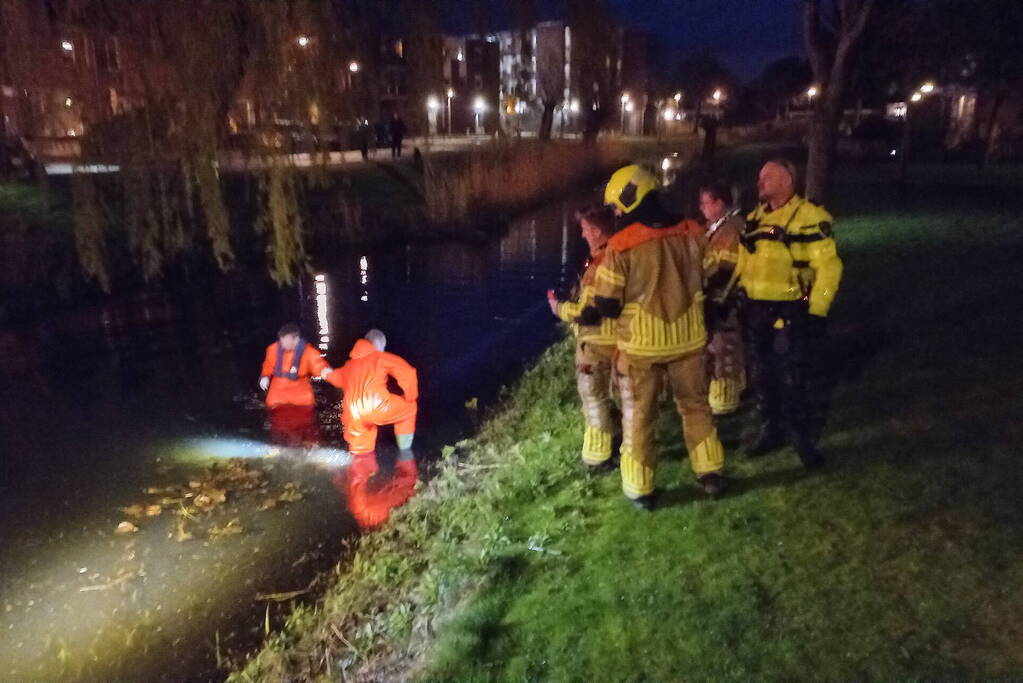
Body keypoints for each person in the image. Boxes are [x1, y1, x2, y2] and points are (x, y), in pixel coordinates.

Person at [585, 164, 727, 509]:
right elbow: (713, 275)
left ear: (631, 199)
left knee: (639, 415)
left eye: (618, 206)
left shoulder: (620, 246)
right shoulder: (693, 231)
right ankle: (710, 473)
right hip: (689, 339)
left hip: (640, 346)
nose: (616, 213)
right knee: (695, 406)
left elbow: (606, 303)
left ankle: (640, 489)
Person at [738, 159, 843, 468]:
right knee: (762, 373)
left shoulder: (808, 217)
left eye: (767, 177)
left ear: (786, 181)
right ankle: (771, 428)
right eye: (759, 177)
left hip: (790, 309)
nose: (760, 182)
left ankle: (800, 436)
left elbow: (829, 268)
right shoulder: (755, 218)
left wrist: (818, 310)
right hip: (756, 310)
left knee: (791, 376)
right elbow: (746, 264)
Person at [547, 204, 619, 471]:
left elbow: (588, 312)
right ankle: (618, 443)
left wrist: (560, 309)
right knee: (612, 396)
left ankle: (599, 456)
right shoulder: (617, 254)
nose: (582, 235)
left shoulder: (601, 263)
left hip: (597, 342)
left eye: (586, 230)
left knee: (593, 396)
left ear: (598, 231)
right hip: (616, 339)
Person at [321, 329, 418, 476]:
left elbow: (334, 377)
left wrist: (324, 371)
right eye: (383, 347)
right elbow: (407, 373)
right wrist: (411, 396)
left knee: (361, 455)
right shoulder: (380, 357)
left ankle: (359, 490)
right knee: (410, 408)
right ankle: (406, 458)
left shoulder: (349, 366)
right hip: (377, 407)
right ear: (378, 344)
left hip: (353, 415)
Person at [698, 181, 746, 415]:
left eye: (705, 203)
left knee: (724, 348)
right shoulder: (714, 227)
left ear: (719, 203)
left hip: (726, 300)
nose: (701, 208)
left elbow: (724, 268)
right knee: (716, 348)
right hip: (715, 298)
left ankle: (727, 401)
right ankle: (723, 393)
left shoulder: (731, 230)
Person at [259, 323, 331, 409]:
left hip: (300, 397)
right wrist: (265, 376)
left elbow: (318, 364)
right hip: (277, 396)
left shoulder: (309, 352)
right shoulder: (273, 349)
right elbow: (268, 364)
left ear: (296, 339)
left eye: (286, 340)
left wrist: (325, 371)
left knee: (303, 420)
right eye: (281, 340)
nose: (283, 344)